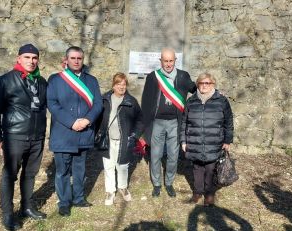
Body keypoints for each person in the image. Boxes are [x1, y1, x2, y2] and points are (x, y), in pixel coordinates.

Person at [0, 44, 47, 230]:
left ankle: (27, 207)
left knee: (30, 174)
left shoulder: (42, 82)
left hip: (37, 137)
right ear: (19, 58)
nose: (31, 61)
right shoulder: (4, 81)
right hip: (14, 137)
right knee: (10, 175)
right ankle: (8, 215)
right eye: (27, 57)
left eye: (34, 57)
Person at [47, 46, 102, 217]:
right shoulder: (56, 80)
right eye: (73, 58)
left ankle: (78, 198)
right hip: (64, 132)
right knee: (63, 170)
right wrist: (72, 122)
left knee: (80, 169)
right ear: (66, 59)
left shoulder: (91, 81)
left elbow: (98, 104)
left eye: (79, 58)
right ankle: (64, 202)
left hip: (84, 132)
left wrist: (87, 120)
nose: (76, 61)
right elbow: (52, 103)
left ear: (83, 59)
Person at [141, 48, 196, 198]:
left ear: (175, 60)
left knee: (173, 155)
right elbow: (145, 101)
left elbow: (196, 89)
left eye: (171, 60)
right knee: (155, 155)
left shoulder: (183, 76)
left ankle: (169, 183)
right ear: (161, 61)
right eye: (165, 61)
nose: (168, 64)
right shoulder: (153, 77)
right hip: (157, 122)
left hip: (175, 123)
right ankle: (157, 184)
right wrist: (145, 127)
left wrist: (214, 91)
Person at [180, 73, 234, 206]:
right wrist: (183, 141)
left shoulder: (221, 101)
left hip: (214, 142)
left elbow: (229, 122)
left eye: (207, 83)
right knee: (197, 168)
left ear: (212, 85)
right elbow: (184, 123)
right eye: (201, 83)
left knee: (211, 169)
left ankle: (209, 194)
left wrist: (227, 140)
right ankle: (197, 192)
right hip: (195, 141)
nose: (204, 86)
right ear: (197, 85)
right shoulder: (191, 101)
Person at [96, 72, 143, 205]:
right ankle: (110, 190)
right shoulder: (105, 99)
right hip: (108, 139)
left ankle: (122, 187)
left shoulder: (131, 101)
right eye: (118, 84)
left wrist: (134, 136)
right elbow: (97, 117)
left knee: (122, 165)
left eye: (124, 84)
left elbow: (140, 120)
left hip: (124, 140)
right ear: (113, 85)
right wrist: (97, 132)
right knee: (109, 165)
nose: (121, 87)